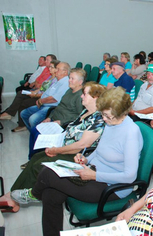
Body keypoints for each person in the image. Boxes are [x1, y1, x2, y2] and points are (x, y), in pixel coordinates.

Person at [11, 87, 143, 236]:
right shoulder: (112, 123)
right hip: (93, 171)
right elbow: (99, 150)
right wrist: (86, 159)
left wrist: (94, 176)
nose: (103, 119)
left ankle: (34, 194)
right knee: (50, 194)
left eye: (106, 116)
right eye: (103, 114)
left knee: (47, 174)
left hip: (111, 186)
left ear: (121, 114)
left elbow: (129, 176)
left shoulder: (131, 132)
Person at [0, 82, 106, 213]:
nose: (81, 96)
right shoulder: (86, 111)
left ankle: (12, 198)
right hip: (66, 147)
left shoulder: (99, 118)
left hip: (78, 156)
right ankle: (12, 195)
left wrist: (56, 150)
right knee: (36, 157)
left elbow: (82, 145)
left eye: (85, 94)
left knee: (40, 164)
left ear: (95, 98)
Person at [24, 68, 86, 168]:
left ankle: (37, 160)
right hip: (54, 120)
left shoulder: (80, 96)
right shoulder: (69, 91)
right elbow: (59, 106)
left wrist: (61, 121)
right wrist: (49, 117)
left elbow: (80, 116)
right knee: (34, 130)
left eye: (72, 79)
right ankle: (32, 159)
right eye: (69, 78)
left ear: (80, 82)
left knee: (39, 136)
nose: (69, 80)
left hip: (63, 124)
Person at [0, 59, 60, 132]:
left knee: (24, 102)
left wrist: (35, 95)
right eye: (49, 67)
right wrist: (35, 92)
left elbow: (47, 94)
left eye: (52, 67)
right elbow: (42, 88)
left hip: (42, 98)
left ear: (57, 69)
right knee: (20, 93)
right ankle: (12, 115)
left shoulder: (56, 80)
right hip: (38, 94)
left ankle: (19, 122)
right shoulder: (50, 77)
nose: (49, 68)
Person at [20, 62, 71, 130]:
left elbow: (54, 99)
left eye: (58, 69)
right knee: (24, 114)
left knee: (33, 119)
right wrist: (40, 99)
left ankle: (38, 136)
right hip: (44, 104)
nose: (55, 70)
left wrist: (41, 100)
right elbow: (46, 92)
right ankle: (34, 133)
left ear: (65, 72)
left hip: (51, 107)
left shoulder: (65, 83)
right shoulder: (57, 80)